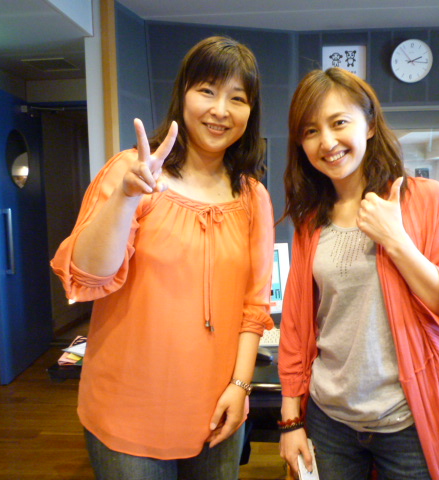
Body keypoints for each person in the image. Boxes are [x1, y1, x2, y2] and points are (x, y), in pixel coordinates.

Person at [51, 36, 275, 480]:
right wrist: (125, 198)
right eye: (207, 91)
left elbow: (255, 307)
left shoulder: (254, 197)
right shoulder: (131, 172)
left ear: (250, 112)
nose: (220, 110)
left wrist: (240, 387)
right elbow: (90, 274)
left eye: (237, 98)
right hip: (128, 408)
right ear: (182, 94)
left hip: (217, 406)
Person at [277, 67, 439, 480]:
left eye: (339, 123)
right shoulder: (310, 221)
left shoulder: (428, 200)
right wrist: (290, 420)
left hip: (408, 421)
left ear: (369, 125)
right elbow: (297, 327)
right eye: (311, 131)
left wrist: (396, 240)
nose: (327, 142)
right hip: (329, 420)